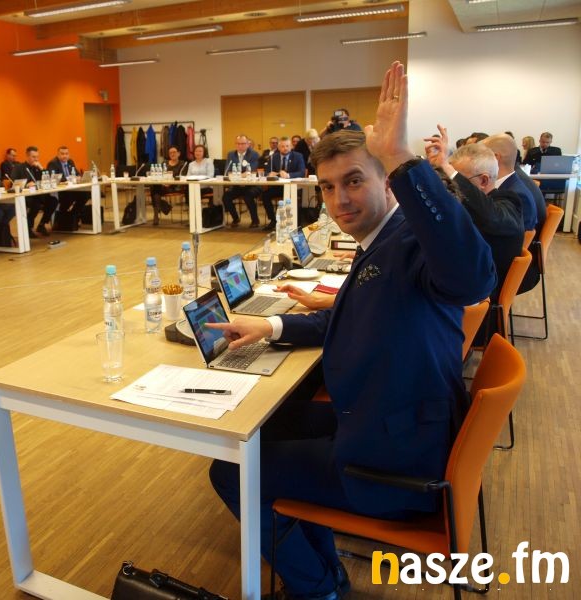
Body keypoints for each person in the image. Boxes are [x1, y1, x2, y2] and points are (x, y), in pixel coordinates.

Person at [206, 61, 495, 600]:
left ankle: (316, 588)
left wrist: (403, 157)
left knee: (230, 469)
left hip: (393, 465)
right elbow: (349, 316)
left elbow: (474, 276)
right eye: (328, 186)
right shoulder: (383, 240)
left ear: (388, 180)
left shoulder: (411, 241)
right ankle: (325, 570)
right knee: (272, 422)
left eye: (355, 181)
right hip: (388, 424)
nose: (339, 200)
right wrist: (269, 323)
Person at [425, 129, 523, 308]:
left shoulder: (509, 202)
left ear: (484, 180)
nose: (452, 187)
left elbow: (491, 217)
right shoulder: (471, 205)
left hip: (480, 302)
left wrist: (449, 168)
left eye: (457, 181)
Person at [482, 134, 541, 232]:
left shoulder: (517, 195)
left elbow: (515, 236)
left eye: (480, 156)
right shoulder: (509, 184)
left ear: (495, 158)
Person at [261, 137, 305, 232]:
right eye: (282, 146)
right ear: (278, 147)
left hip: (293, 187)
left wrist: (288, 175)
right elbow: (266, 171)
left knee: (296, 200)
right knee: (264, 196)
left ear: (291, 146)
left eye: (287, 146)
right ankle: (273, 221)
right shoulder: (274, 157)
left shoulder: (298, 156)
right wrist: (270, 174)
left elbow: (301, 172)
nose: (285, 148)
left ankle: (296, 224)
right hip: (278, 187)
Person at [13, 146, 56, 237]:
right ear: (27, 156)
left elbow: (47, 179)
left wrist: (41, 168)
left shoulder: (37, 168)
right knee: (36, 204)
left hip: (39, 195)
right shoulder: (19, 167)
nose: (36, 159)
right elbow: (13, 182)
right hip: (26, 196)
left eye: (37, 157)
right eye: (33, 157)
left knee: (53, 201)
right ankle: (28, 228)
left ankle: (42, 224)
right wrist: (26, 185)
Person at [222, 134, 261, 228]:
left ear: (248, 144)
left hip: (252, 185)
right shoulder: (231, 154)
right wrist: (240, 175)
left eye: (243, 143)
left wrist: (237, 175)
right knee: (226, 197)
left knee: (248, 196)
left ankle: (255, 220)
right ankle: (235, 218)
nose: (240, 146)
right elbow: (228, 171)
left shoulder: (254, 154)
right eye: (238, 143)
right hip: (237, 185)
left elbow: (251, 171)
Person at [46, 145, 90, 229]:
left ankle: (73, 216)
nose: (65, 156)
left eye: (66, 154)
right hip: (60, 191)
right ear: (58, 154)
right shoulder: (53, 163)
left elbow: (77, 173)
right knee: (68, 198)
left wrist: (78, 177)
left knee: (86, 194)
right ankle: (61, 220)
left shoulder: (70, 162)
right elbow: (54, 178)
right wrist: (69, 178)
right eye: (62, 154)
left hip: (72, 189)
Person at [146, 146, 183, 226]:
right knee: (155, 187)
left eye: (174, 152)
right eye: (170, 153)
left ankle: (157, 213)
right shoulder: (164, 163)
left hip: (174, 186)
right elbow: (159, 174)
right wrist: (162, 183)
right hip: (162, 185)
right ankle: (161, 208)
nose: (172, 154)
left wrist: (170, 183)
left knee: (154, 189)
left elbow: (182, 177)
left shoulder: (182, 164)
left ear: (179, 153)